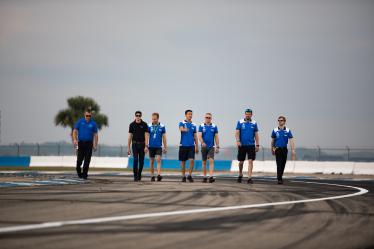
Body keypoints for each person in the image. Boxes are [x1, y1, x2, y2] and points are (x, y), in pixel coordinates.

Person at [235, 108, 260, 184]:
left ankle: (249, 177)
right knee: (241, 162)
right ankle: (240, 174)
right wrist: (238, 141)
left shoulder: (254, 123)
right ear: (245, 114)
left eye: (249, 114)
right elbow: (237, 132)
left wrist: (257, 144)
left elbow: (256, 134)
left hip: (251, 145)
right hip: (242, 145)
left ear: (251, 115)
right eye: (247, 114)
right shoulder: (240, 122)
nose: (248, 115)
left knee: (250, 161)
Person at [72, 110, 98, 180]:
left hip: (89, 144)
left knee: (87, 160)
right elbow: (74, 131)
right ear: (84, 115)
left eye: (89, 116)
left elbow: (96, 135)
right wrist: (74, 139)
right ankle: (79, 172)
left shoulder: (93, 124)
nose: (88, 117)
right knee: (79, 160)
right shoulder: (80, 122)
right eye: (87, 116)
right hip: (81, 143)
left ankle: (85, 174)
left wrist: (95, 145)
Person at [271, 116, 296, 184]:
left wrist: (293, 150)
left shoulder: (287, 130)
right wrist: (272, 148)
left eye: (281, 120)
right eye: (279, 120)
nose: (280, 121)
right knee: (279, 164)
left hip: (284, 149)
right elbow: (273, 140)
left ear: (284, 121)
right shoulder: (275, 130)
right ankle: (279, 178)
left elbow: (291, 140)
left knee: (283, 164)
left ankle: (280, 176)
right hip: (277, 149)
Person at [198, 113, 220, 183]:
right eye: (207, 117)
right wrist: (202, 142)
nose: (208, 118)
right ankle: (204, 177)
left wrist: (217, 146)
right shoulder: (201, 126)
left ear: (211, 118)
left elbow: (216, 136)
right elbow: (199, 136)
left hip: (211, 146)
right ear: (204, 118)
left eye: (209, 117)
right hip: (204, 146)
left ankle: (211, 177)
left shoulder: (214, 126)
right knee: (204, 162)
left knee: (211, 161)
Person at [128, 111, 149, 181]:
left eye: (139, 115)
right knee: (135, 159)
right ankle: (135, 175)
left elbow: (146, 136)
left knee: (141, 161)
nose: (138, 117)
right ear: (135, 116)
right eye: (137, 115)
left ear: (141, 116)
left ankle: (139, 173)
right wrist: (128, 147)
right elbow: (130, 136)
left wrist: (146, 146)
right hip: (134, 144)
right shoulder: (132, 125)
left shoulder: (145, 124)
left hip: (142, 144)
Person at [179, 110, 199, 182]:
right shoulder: (182, 122)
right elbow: (180, 129)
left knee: (191, 160)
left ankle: (189, 175)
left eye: (191, 114)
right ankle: (183, 176)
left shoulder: (193, 125)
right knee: (183, 162)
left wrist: (197, 146)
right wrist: (184, 129)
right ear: (186, 115)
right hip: (183, 145)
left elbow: (195, 136)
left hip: (191, 145)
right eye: (189, 114)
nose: (190, 115)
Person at [148, 113, 167, 182]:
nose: (153, 120)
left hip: (159, 146)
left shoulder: (162, 126)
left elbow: (164, 137)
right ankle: (152, 176)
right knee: (151, 162)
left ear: (158, 118)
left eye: (155, 119)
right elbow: (146, 136)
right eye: (152, 119)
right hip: (151, 146)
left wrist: (165, 146)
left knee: (158, 160)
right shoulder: (149, 126)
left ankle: (159, 175)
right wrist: (146, 146)